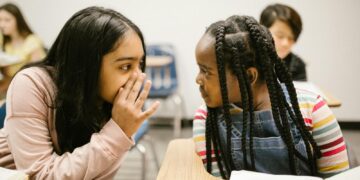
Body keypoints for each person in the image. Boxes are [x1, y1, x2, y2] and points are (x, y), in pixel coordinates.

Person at [0, 6, 160, 179]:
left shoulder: (116, 106)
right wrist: (117, 132)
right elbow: (40, 176)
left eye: (140, 64)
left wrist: (119, 130)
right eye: (125, 66)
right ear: (87, 65)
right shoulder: (32, 83)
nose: (139, 76)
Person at [192, 15, 349, 179]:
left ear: (249, 77)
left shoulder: (314, 110)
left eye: (206, 71)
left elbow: (337, 177)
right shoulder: (206, 118)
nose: (198, 79)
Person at [0, 3, 46, 97]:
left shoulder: (32, 41)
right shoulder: (5, 43)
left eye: (7, 20)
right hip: (12, 88)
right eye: (0, 20)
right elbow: (7, 78)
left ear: (18, 20)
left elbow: (37, 74)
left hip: (30, 89)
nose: (2, 24)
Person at [260, 3, 307, 81]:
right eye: (280, 36)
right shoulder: (247, 58)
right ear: (262, 31)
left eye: (291, 38)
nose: (286, 43)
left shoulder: (297, 65)